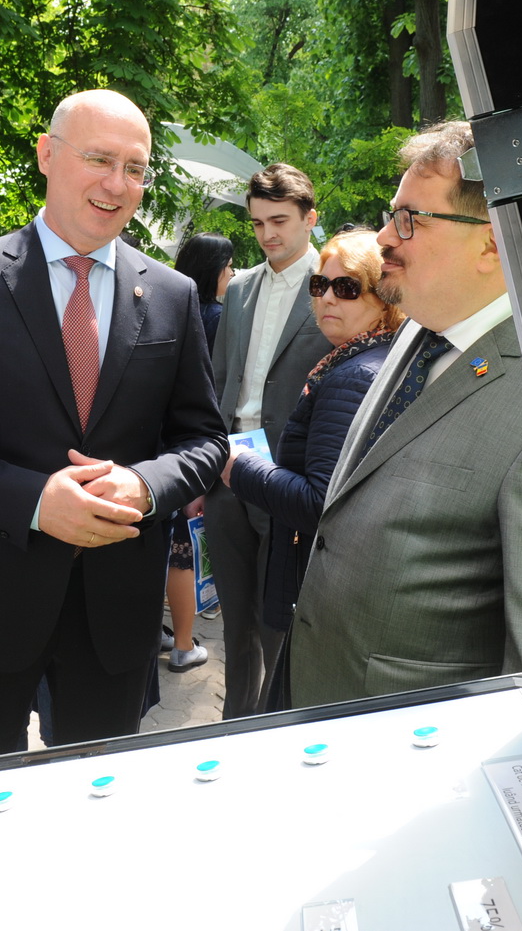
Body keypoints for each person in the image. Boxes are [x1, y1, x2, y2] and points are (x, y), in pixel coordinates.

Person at [0, 88, 226, 757]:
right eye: (99, 159)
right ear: (46, 154)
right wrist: (35, 501)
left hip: (116, 612)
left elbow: (205, 440)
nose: (117, 183)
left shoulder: (173, 294)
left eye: (134, 168)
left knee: (100, 795)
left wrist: (144, 486)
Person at [288, 121, 522, 706]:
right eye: (390, 215)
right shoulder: (418, 328)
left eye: (409, 220)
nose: (382, 238)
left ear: (493, 244)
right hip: (321, 697)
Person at [224, 230, 404, 680]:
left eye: (346, 288)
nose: (326, 298)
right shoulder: (372, 357)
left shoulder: (354, 375)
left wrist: (238, 467)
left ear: (383, 297)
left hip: (317, 576)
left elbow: (318, 503)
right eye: (319, 285)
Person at [206, 163, 332, 718]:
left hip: (291, 476)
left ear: (310, 217)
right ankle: (234, 722)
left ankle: (279, 720)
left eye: (279, 221)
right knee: (235, 617)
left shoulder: (333, 285)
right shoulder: (239, 288)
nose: (267, 234)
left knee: (279, 618)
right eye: (257, 223)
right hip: (229, 469)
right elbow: (218, 380)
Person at [161, 232, 234, 671]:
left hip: (156, 446)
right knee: (184, 547)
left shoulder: (164, 304)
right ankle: (184, 644)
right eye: (228, 265)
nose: (232, 273)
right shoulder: (218, 318)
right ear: (215, 270)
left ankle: (156, 630)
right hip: (195, 446)